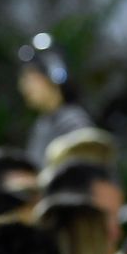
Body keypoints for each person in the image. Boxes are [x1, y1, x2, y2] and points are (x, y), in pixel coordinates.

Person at [17, 36, 93, 167]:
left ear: (54, 74)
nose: (23, 87)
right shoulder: (42, 124)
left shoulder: (73, 122)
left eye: (30, 78)